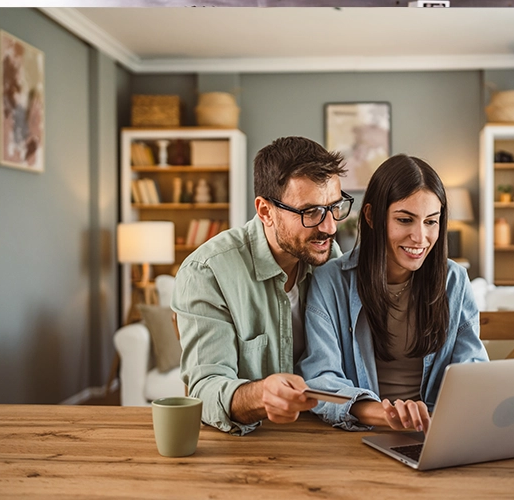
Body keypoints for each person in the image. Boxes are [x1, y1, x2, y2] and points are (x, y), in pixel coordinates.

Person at [171, 136, 353, 435]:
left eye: (334, 207)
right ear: (265, 211)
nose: (330, 227)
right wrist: (261, 395)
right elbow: (203, 389)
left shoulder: (326, 256)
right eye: (310, 212)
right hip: (249, 444)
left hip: (324, 432)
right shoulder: (206, 273)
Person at [297, 154, 489, 433]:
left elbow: (472, 367)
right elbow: (320, 379)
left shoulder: (453, 280)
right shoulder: (331, 281)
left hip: (437, 431)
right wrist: (384, 413)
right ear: (372, 216)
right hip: (359, 433)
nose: (420, 238)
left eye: (431, 222)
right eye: (405, 219)